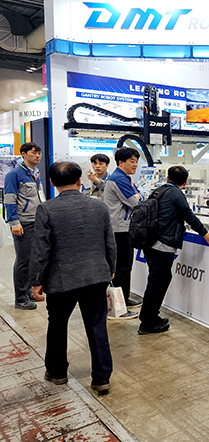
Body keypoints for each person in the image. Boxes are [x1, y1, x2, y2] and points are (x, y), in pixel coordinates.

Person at [29, 162, 116, 395]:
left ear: (51, 182)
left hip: (61, 279)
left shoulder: (46, 209)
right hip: (96, 276)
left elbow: (40, 249)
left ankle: (57, 372)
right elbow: (110, 241)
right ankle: (102, 378)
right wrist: (111, 268)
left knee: (57, 325)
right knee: (97, 326)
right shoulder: (99, 207)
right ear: (79, 180)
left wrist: (36, 280)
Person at [139, 166, 209, 335]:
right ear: (185, 183)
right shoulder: (176, 194)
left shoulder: (159, 191)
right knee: (158, 281)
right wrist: (205, 233)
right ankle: (148, 322)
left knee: (157, 280)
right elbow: (188, 215)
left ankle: (150, 316)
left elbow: (168, 215)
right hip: (162, 245)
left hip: (150, 242)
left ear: (167, 178)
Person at [102, 147, 143, 319]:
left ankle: (124, 299)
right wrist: (139, 196)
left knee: (123, 267)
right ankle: (118, 308)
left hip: (121, 228)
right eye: (132, 161)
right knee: (121, 268)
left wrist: (139, 195)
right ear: (121, 162)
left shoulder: (123, 177)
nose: (135, 165)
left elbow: (139, 196)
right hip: (120, 230)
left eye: (136, 161)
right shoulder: (119, 179)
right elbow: (136, 202)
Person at [4, 142, 45, 310]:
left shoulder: (36, 173)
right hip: (23, 223)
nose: (37, 155)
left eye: (39, 152)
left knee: (32, 259)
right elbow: (9, 200)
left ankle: (28, 292)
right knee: (23, 260)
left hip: (36, 221)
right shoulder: (14, 174)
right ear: (23, 154)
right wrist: (14, 222)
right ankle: (20, 298)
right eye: (34, 152)